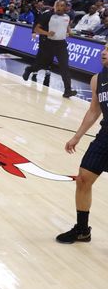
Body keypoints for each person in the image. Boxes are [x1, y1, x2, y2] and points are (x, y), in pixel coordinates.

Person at [56, 45, 108, 243]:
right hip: (105, 136)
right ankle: (82, 229)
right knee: (83, 179)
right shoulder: (98, 79)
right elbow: (94, 110)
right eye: (104, 49)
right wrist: (77, 136)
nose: (103, 52)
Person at [23, 0, 77, 98]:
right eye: (58, 5)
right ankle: (29, 69)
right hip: (48, 44)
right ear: (55, 5)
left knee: (65, 67)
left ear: (65, 8)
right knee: (41, 65)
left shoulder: (67, 16)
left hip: (61, 45)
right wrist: (47, 33)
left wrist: (70, 31)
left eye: (62, 6)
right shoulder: (48, 15)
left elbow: (67, 26)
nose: (59, 7)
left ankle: (67, 90)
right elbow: (36, 28)